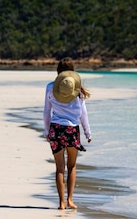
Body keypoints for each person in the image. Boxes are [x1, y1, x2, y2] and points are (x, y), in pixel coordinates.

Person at [43, 57, 92, 210]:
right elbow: (84, 115)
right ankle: (70, 200)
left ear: (58, 73)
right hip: (72, 130)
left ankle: (61, 203)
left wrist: (46, 131)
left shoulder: (50, 87)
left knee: (59, 168)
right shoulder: (78, 91)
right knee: (71, 166)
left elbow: (46, 112)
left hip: (56, 129)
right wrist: (88, 133)